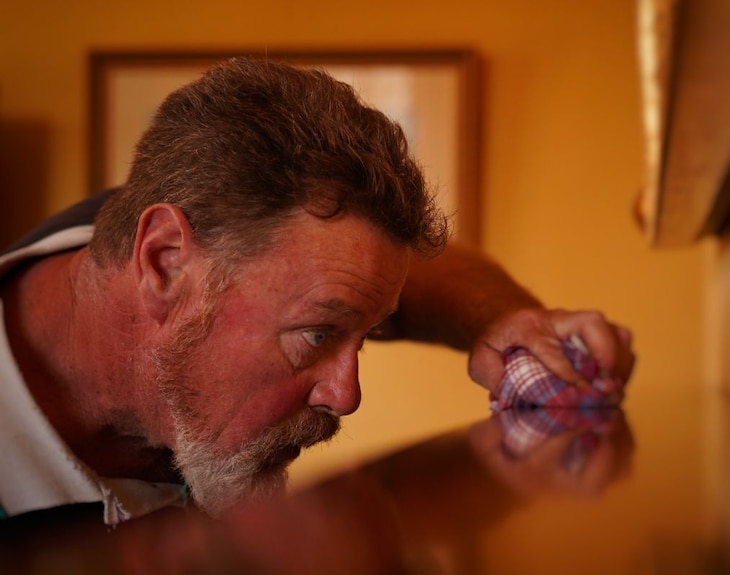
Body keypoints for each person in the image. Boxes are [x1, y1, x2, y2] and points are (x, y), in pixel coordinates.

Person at [0, 57, 634, 524]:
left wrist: (505, 319)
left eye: (368, 329)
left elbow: (412, 271)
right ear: (164, 263)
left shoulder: (178, 233)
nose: (347, 397)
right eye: (318, 335)